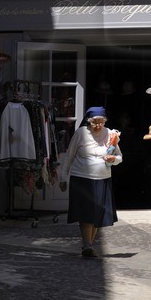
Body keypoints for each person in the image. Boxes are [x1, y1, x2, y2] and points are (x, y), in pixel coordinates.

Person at [59, 105, 121, 257]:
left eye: (101, 122)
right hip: (82, 179)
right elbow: (69, 156)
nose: (98, 125)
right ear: (88, 121)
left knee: (97, 214)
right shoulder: (80, 133)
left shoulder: (111, 134)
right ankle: (87, 244)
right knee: (86, 213)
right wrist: (62, 177)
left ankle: (89, 245)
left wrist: (113, 159)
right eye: (95, 122)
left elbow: (120, 157)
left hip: (103, 179)